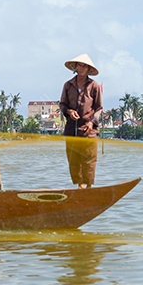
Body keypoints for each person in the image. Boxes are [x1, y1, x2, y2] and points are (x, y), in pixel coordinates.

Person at [59, 53, 103, 188]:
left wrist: (91, 122)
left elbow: (99, 108)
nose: (82, 68)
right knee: (74, 160)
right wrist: (69, 112)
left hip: (89, 130)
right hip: (72, 129)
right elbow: (63, 105)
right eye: (80, 65)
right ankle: (80, 186)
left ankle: (88, 187)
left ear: (89, 69)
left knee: (89, 159)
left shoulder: (94, 86)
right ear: (75, 67)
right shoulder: (68, 85)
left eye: (85, 66)